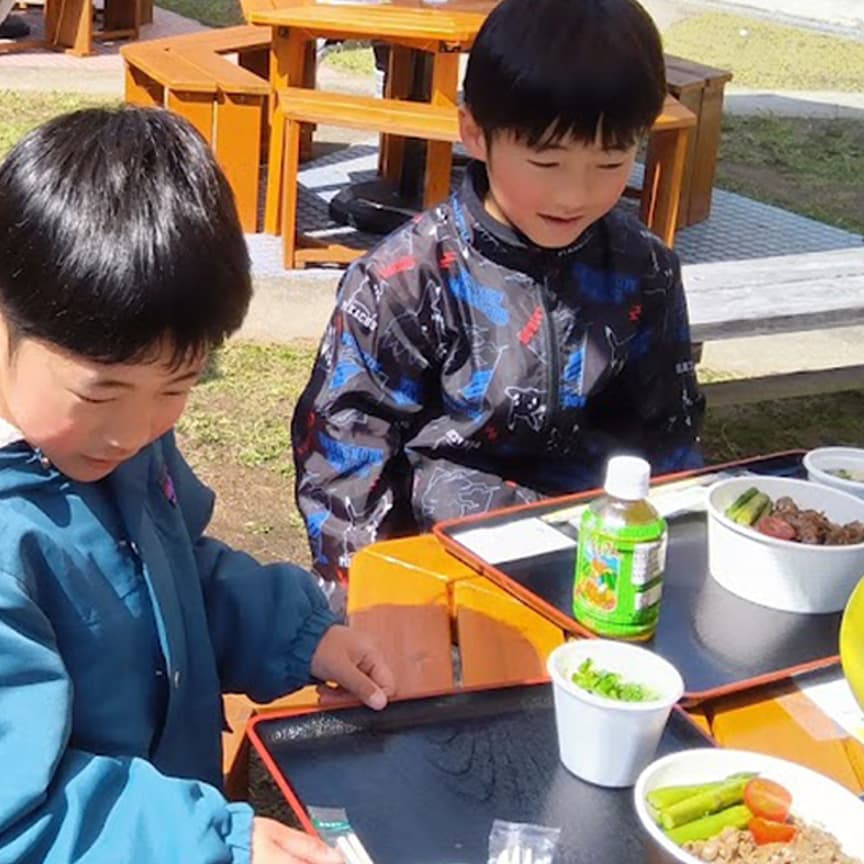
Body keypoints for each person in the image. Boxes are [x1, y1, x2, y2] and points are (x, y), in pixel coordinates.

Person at [0, 107, 395, 864]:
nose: (133, 430)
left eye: (175, 388)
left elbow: (179, 574)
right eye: (100, 392)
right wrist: (212, 842)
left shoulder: (118, 440)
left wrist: (301, 635)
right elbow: (19, 813)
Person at [292, 0, 705, 603]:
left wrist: (686, 548)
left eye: (611, 162)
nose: (575, 193)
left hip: (598, 562)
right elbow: (345, 457)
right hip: (444, 565)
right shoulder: (407, 281)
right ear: (475, 133)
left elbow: (668, 431)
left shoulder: (644, 270)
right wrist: (373, 600)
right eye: (546, 160)